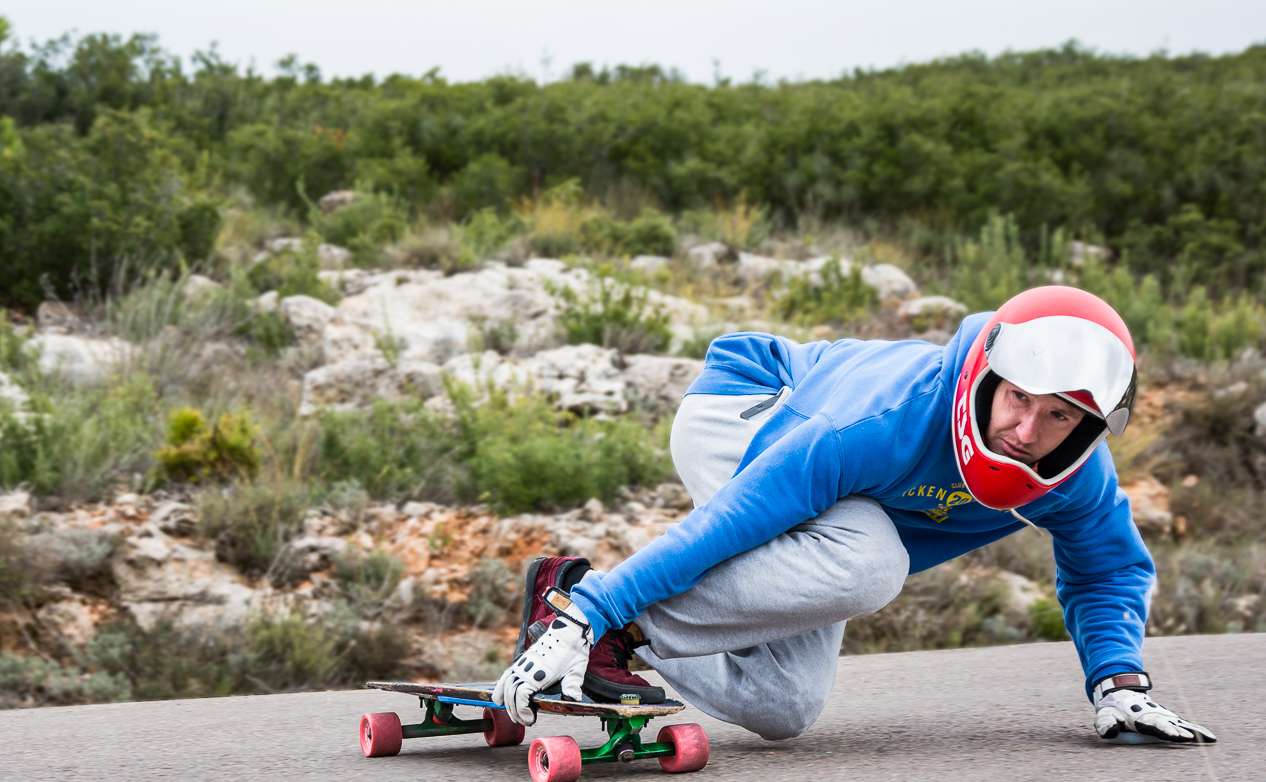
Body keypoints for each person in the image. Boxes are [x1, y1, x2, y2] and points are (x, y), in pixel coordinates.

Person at [493, 285, 1216, 746]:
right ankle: (587, 617)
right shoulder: (881, 420)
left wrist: (1118, 683)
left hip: (852, 508)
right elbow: (738, 520)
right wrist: (592, 613)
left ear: (1086, 428)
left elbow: (1109, 568)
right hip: (748, 406)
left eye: (1057, 416)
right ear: (988, 376)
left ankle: (577, 597)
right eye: (1018, 399)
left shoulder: (1072, 477)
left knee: (783, 706)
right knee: (872, 560)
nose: (1027, 431)